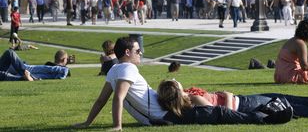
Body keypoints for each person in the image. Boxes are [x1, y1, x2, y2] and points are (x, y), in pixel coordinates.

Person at [73, 37, 291, 130]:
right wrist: (117, 126)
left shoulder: (114, 69)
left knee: (213, 110)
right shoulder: (128, 68)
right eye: (138, 51)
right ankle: (263, 117)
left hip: (163, 111)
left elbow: (102, 99)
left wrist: (87, 122)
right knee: (216, 114)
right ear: (127, 53)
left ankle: (261, 113)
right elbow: (118, 98)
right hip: (166, 114)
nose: (141, 54)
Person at [158, 80, 308, 118]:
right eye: (173, 81)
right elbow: (222, 112)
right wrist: (229, 96)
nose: (175, 78)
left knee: (283, 105)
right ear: (176, 89)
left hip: (244, 102)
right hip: (244, 105)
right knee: (282, 99)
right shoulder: (192, 100)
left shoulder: (188, 100)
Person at [274, 19, 308, 84]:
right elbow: (305, 66)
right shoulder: (300, 44)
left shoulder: (292, 40)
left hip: (280, 77)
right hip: (291, 77)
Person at [0, 49, 69, 81]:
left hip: (22, 70)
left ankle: (26, 77)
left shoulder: (61, 70)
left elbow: (64, 71)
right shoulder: (59, 69)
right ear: (64, 59)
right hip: (23, 71)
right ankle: (25, 77)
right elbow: (64, 71)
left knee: (10, 53)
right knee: (10, 53)